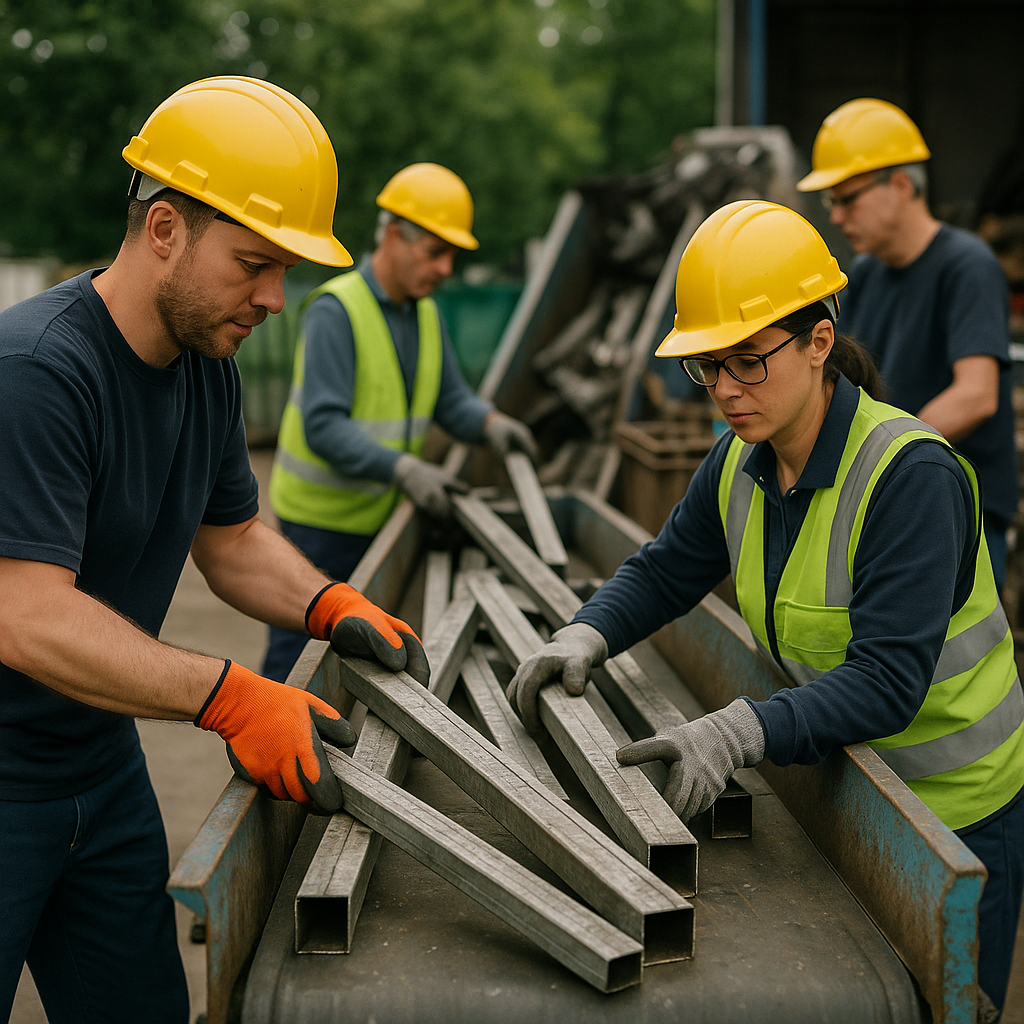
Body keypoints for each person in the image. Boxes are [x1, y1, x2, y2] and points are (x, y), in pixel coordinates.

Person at [507, 200, 1024, 1016]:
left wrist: (735, 730)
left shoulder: (908, 478)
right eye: (707, 366)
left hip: (953, 819)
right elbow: (670, 568)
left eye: (748, 360)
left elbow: (888, 681)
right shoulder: (742, 460)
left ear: (820, 342)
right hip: (849, 792)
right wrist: (586, 631)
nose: (724, 390)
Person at [0, 77, 429, 1024]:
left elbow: (230, 541)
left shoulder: (207, 369)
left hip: (98, 772)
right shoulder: (38, 372)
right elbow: (25, 615)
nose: (275, 297)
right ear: (163, 230)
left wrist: (329, 603)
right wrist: (229, 695)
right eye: (252, 264)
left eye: (285, 268)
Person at [264, 161, 537, 681]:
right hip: (320, 526)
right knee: (298, 658)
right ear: (393, 235)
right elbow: (323, 426)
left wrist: (491, 424)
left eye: (451, 256)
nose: (445, 270)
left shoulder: (425, 312)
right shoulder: (336, 310)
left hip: (377, 520)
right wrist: (405, 470)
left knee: (354, 657)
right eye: (436, 252)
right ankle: (266, 752)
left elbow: (450, 400)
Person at [796, 97, 1018, 591]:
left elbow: (977, 394)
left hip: (957, 509)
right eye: (831, 201)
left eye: (846, 198)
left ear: (900, 185)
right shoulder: (869, 274)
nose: (836, 215)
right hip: (887, 498)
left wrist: (878, 458)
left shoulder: (968, 265)